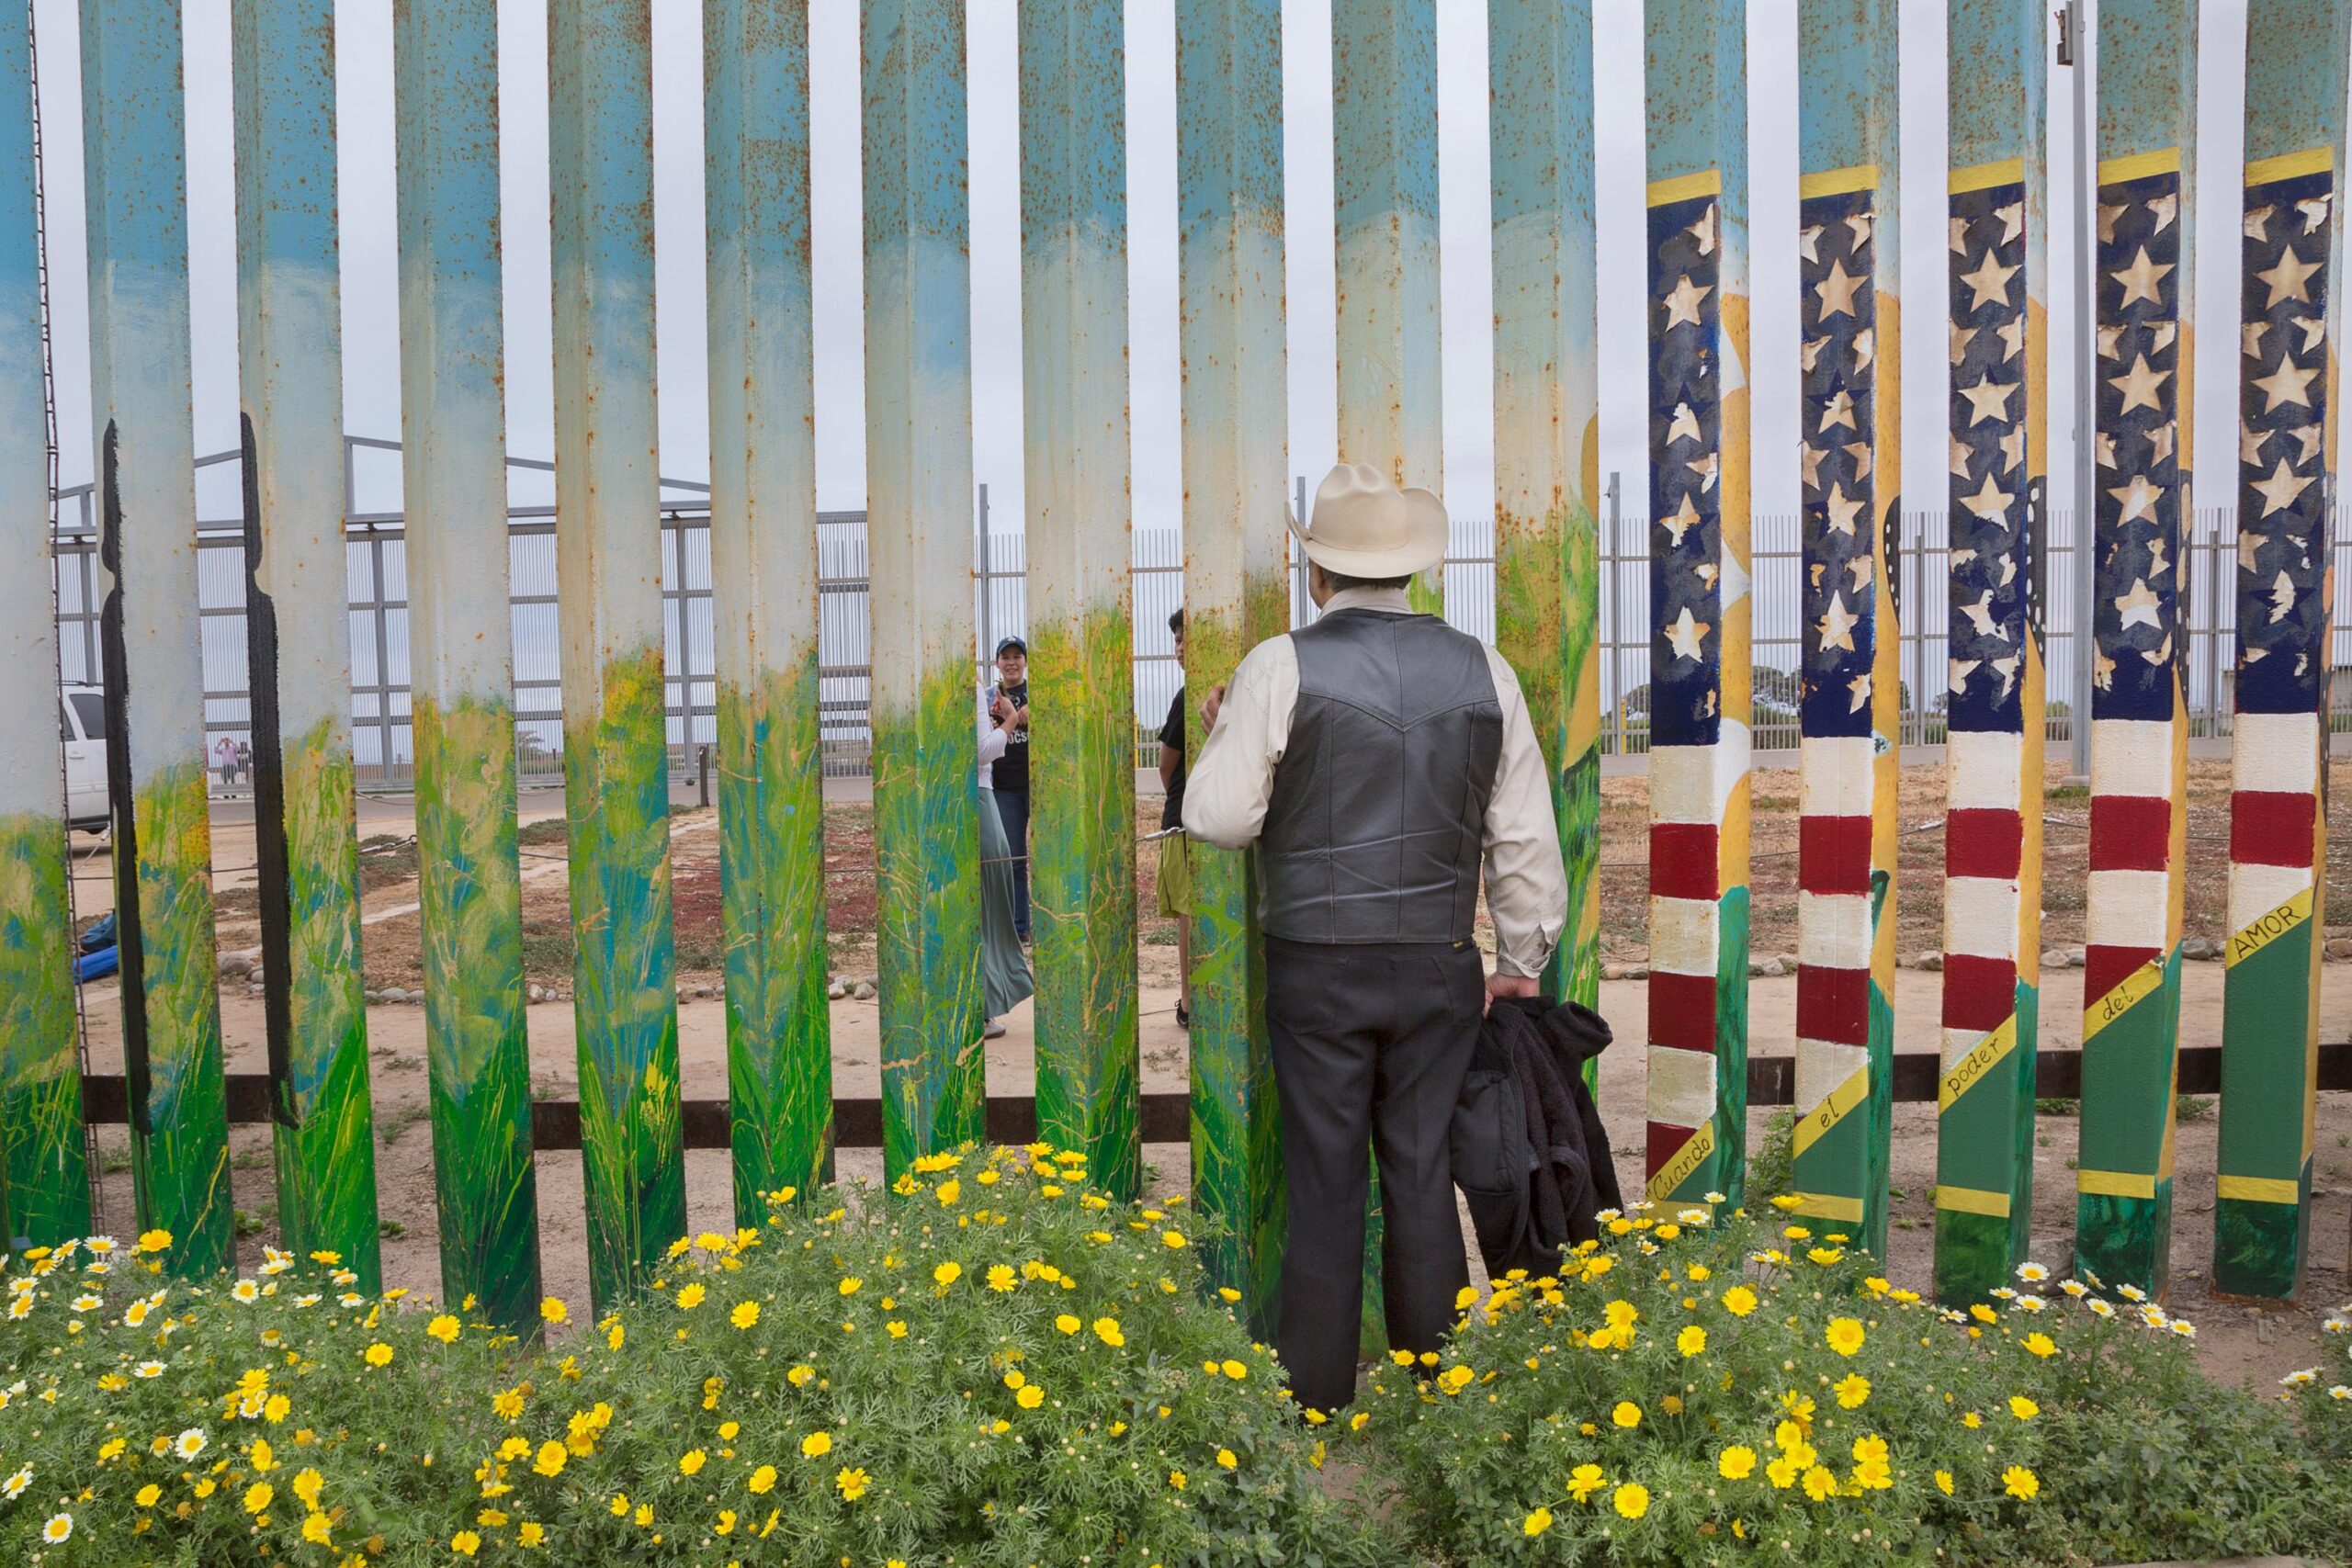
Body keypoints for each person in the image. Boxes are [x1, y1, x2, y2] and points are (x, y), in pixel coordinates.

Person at [1183, 462, 1567, 1414]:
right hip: (1438, 966)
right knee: (1420, 1173)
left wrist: (1223, 733)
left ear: (1316, 570)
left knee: (1322, 1182)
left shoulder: (1280, 665)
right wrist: (1521, 962)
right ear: (1409, 570)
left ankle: (1314, 1397)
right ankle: (1429, 1389)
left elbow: (1220, 820)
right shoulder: (1486, 670)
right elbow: (1522, 836)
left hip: (1316, 968)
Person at [977, 685, 1035, 1039]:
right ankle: (984, 1006)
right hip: (981, 797)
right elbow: (984, 752)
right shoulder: (967, 682)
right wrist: (1009, 721)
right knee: (991, 904)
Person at [1157, 608, 1194, 1028]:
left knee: (1188, 912)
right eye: (1176, 641)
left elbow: (1167, 766)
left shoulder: (1188, 696)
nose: (1179, 649)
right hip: (1208, 816)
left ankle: (1188, 1001)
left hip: (1184, 817)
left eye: (1185, 639)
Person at [984, 637, 1032, 942]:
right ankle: (1019, 927)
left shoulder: (1037, 694)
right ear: (998, 663)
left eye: (1017, 656)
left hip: (1037, 784)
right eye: (1005, 657)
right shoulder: (991, 696)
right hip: (1005, 788)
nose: (1011, 662)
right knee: (1013, 857)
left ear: (1025, 661)